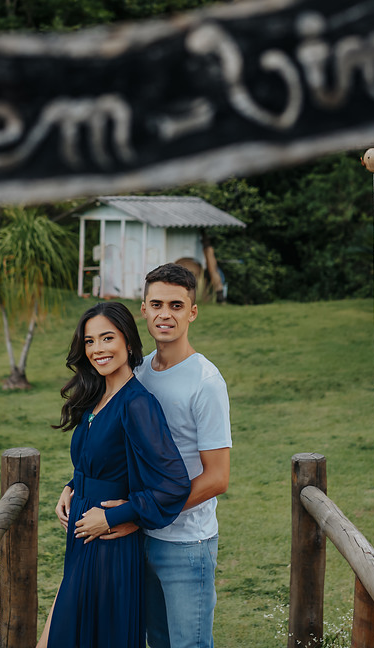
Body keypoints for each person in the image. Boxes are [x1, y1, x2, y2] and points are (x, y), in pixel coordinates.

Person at [56, 264, 232, 648]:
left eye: (176, 305)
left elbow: (217, 478)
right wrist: (77, 483)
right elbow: (116, 444)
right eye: (157, 304)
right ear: (144, 309)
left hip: (185, 542)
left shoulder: (205, 382)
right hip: (137, 540)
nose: (165, 314)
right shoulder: (138, 371)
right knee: (155, 641)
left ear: (192, 311)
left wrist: (136, 513)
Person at [38, 301, 191, 648]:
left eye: (107, 338)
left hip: (107, 545)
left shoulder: (137, 403)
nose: (97, 349)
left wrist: (115, 516)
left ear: (128, 342)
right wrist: (73, 485)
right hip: (82, 537)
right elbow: (103, 459)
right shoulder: (97, 397)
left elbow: (173, 484)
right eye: (90, 341)